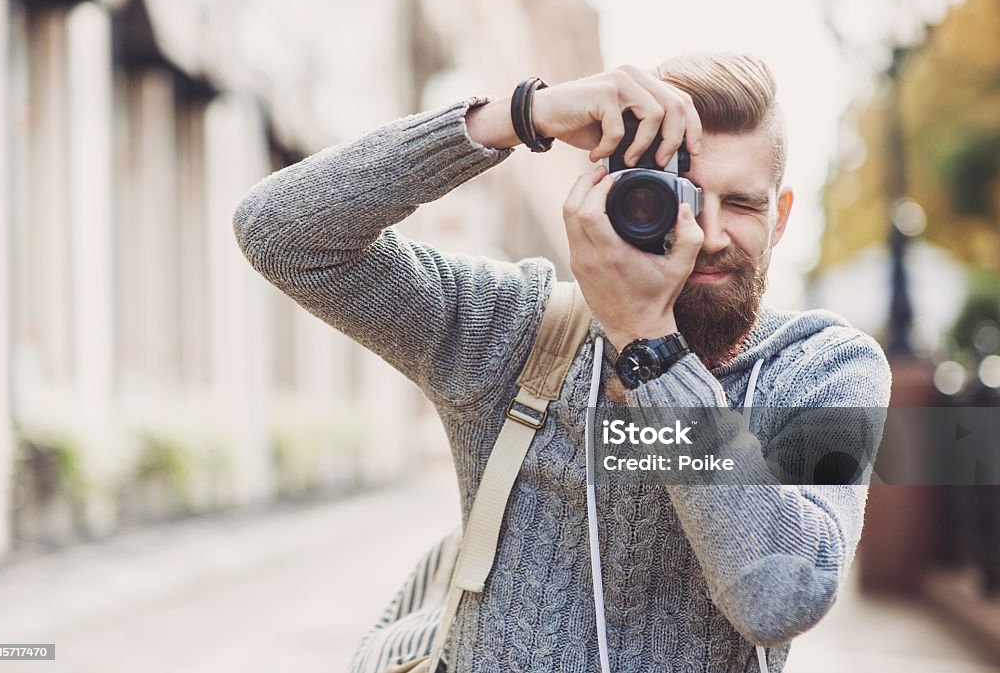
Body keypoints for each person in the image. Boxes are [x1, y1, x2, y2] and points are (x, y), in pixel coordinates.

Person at [233, 53, 892, 672]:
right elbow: (280, 232)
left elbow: (782, 595)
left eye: (742, 204)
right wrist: (524, 116)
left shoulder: (828, 368)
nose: (707, 234)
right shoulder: (516, 327)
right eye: (679, 198)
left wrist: (650, 343)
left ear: (780, 217)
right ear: (615, 195)